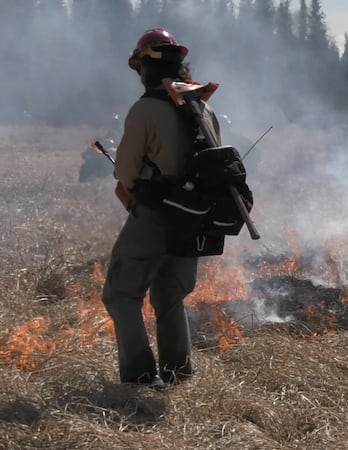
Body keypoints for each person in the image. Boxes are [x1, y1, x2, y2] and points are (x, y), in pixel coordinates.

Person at [102, 28, 221, 386]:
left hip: (155, 215)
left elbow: (124, 171)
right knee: (170, 296)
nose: (138, 74)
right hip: (195, 218)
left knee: (121, 294)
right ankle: (178, 373)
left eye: (139, 67)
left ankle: (139, 377)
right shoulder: (203, 107)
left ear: (147, 67)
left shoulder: (144, 110)